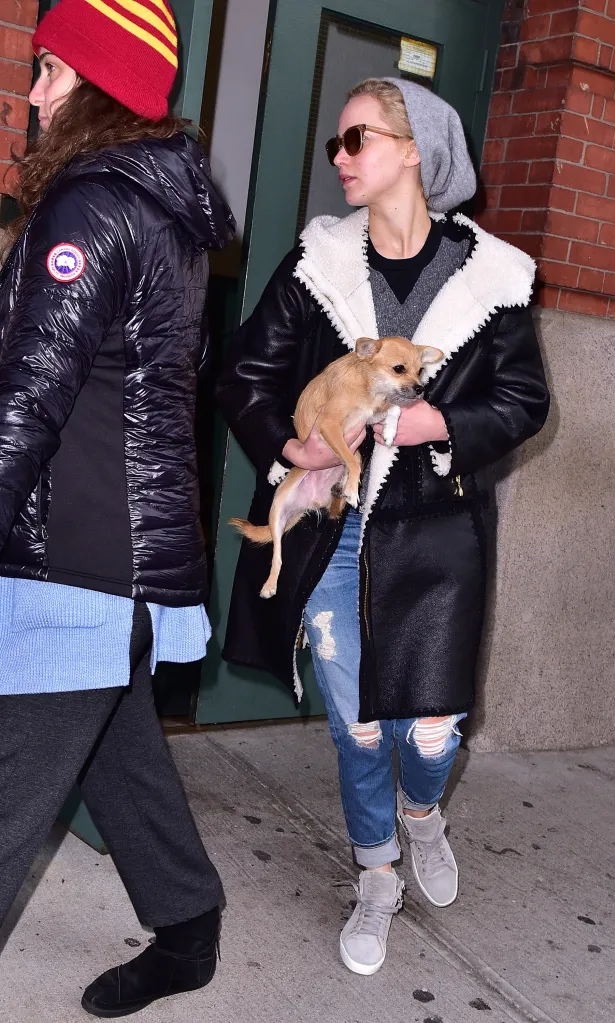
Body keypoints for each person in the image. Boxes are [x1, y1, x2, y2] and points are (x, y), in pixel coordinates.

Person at [217, 77, 549, 975]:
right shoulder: (317, 262)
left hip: (437, 532)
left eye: (354, 140)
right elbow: (242, 373)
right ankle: (374, 876)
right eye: (335, 144)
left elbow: (524, 400)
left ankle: (422, 815)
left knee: (430, 732)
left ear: (414, 150)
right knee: (359, 727)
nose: (339, 159)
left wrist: (434, 422)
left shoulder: (491, 276)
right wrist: (292, 443)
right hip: (332, 525)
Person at [0, 0, 235, 1016]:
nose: (33, 89)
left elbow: (29, 398)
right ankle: (188, 926)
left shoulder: (90, 206)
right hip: (120, 560)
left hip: (78, 565)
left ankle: (187, 927)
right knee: (115, 746)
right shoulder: (159, 210)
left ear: (93, 82)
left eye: (49, 69)